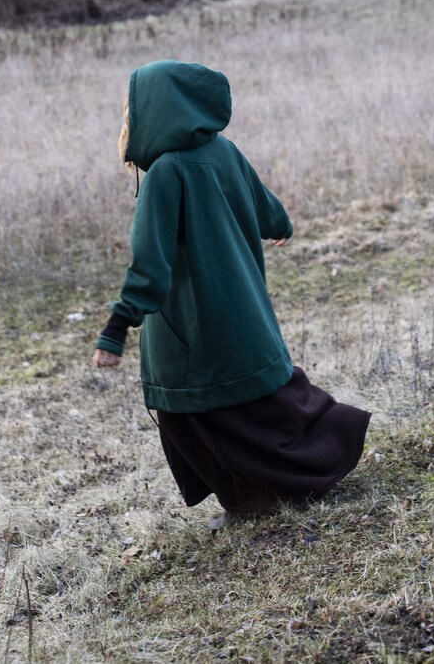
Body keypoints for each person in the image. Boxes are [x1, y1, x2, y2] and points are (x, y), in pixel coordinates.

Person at [93, 60, 370, 529]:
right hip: (245, 311)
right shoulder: (224, 151)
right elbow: (264, 206)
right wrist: (279, 223)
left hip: (191, 324)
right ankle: (291, 477)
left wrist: (116, 328)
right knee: (260, 402)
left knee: (205, 416)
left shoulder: (165, 172)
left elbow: (150, 262)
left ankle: (250, 501)